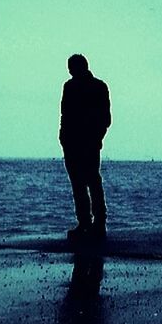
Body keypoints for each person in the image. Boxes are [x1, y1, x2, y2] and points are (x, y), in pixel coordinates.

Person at [59, 54, 111, 241]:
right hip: (76, 143)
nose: (70, 71)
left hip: (85, 142)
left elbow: (105, 119)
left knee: (89, 183)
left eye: (71, 68)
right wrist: (64, 138)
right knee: (83, 184)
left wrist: (95, 138)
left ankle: (95, 223)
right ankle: (89, 223)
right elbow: (65, 115)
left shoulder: (95, 87)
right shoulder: (73, 86)